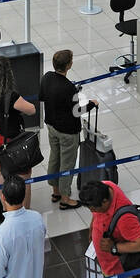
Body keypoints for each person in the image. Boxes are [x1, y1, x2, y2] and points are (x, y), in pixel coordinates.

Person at [38, 48, 97, 209]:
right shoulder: (68, 88)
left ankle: (55, 190)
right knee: (67, 163)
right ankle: (65, 198)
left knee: (54, 157)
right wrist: (92, 103)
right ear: (69, 65)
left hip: (51, 126)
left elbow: (42, 97)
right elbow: (78, 111)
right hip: (67, 132)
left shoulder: (47, 77)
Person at [0, 55, 37, 206]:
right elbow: (31, 109)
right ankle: (24, 210)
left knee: (2, 169)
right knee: (25, 175)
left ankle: (5, 206)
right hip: (11, 139)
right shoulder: (10, 96)